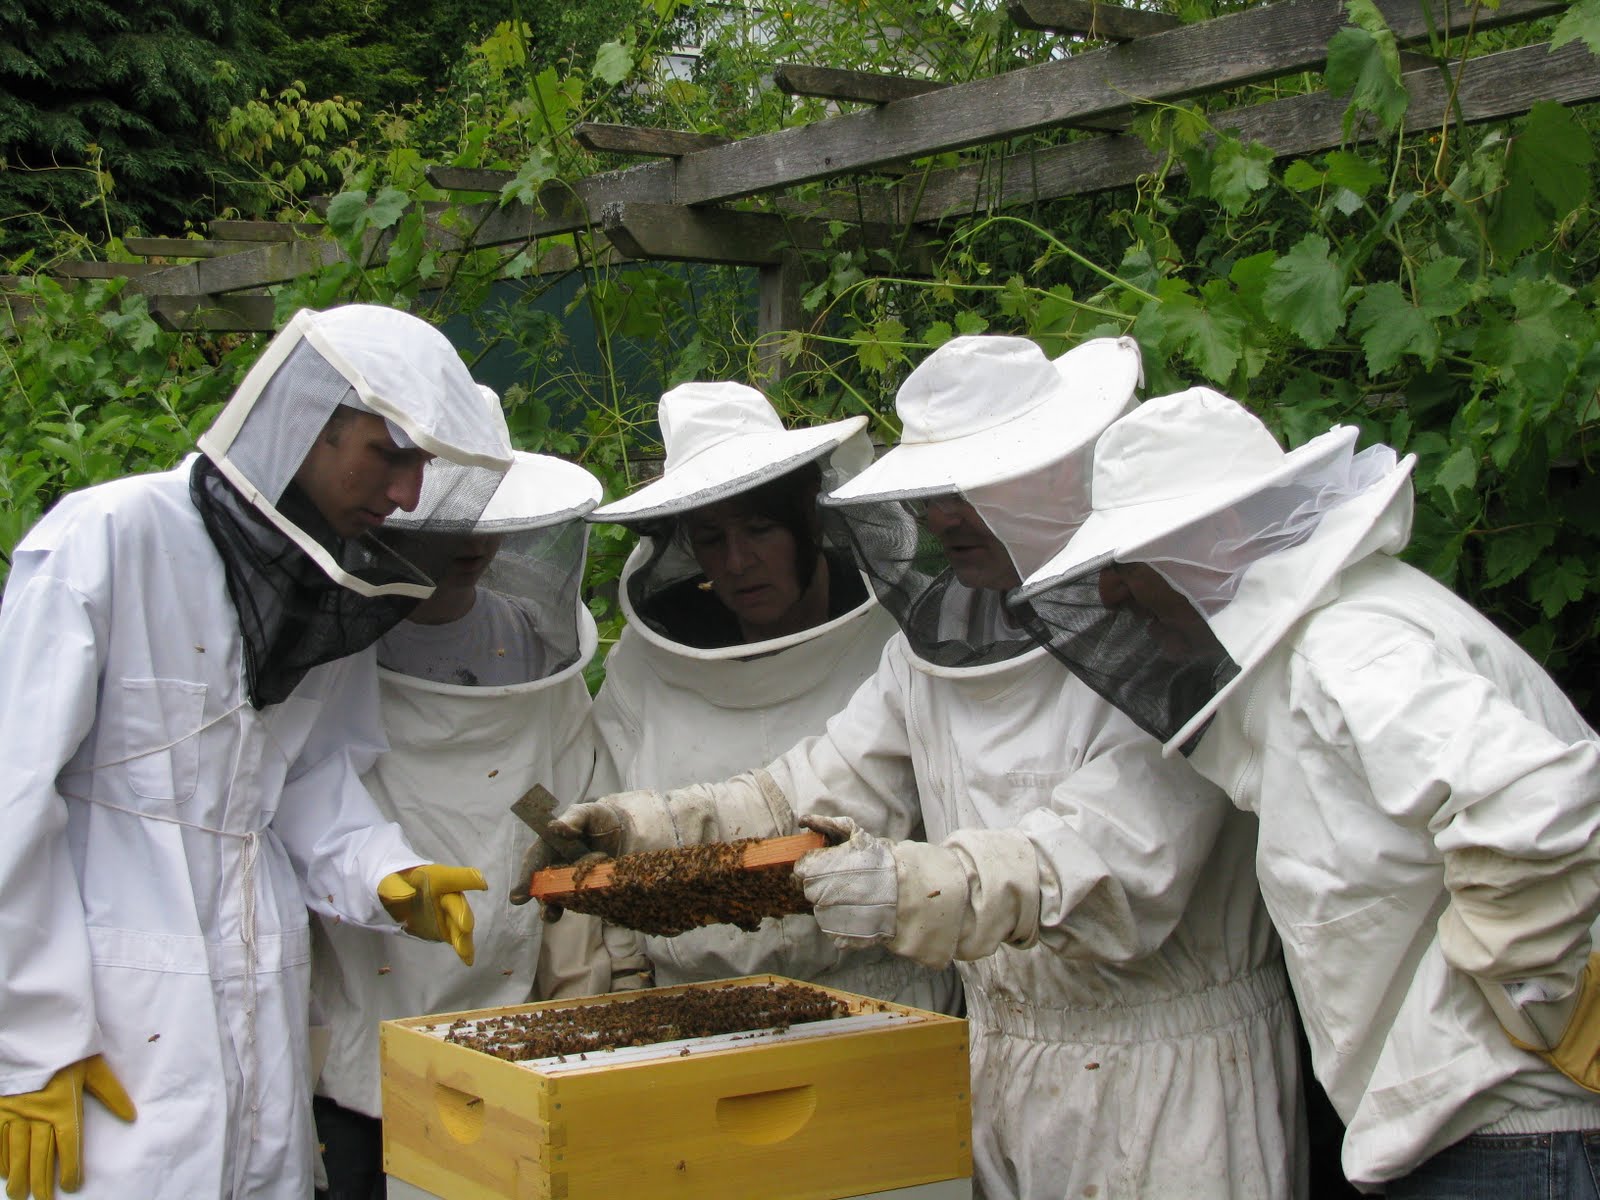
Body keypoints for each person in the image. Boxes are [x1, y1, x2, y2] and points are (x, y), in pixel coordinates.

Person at [523, 336, 1309, 1200]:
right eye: (933, 493)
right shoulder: (931, 652)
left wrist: (902, 885)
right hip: (996, 1065)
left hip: (1173, 1077)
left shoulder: (1173, 635)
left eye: (969, 488)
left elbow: (1113, 866)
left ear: (1055, 476)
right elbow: (804, 790)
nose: (943, 517)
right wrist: (648, 830)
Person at [1011, 386, 1600, 1195]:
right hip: (1486, 1136)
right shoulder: (1327, 643)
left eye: (1128, 562)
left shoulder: (1349, 645)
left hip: (1511, 1137)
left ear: (1217, 535)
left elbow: (1534, 803)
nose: (1110, 595)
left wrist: (1534, 998)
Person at [0, 305, 512, 1200]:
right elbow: (13, 797)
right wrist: (30, 1043)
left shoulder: (332, 582)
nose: (406, 495)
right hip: (104, 1013)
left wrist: (382, 871)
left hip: (261, 1001)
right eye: (387, 455)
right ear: (308, 420)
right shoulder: (108, 540)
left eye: (422, 467)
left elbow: (307, 776)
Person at [559, 379, 958, 1011]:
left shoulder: (893, 641)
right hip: (698, 1007)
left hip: (885, 993)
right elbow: (611, 819)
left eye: (761, 529)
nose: (738, 561)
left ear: (809, 517)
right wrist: (629, 974)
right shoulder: (644, 666)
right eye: (711, 538)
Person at [309, 440, 628, 1199]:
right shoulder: (339, 645)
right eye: (451, 519)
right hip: (358, 1027)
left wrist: (581, 991)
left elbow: (562, 799)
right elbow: (305, 805)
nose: (473, 542)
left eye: (490, 519)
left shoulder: (530, 638)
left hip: (510, 1032)